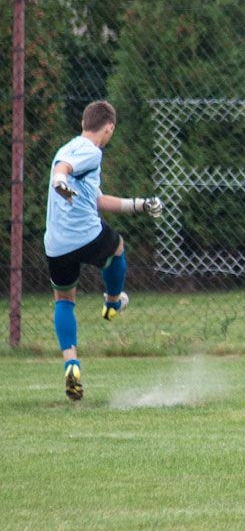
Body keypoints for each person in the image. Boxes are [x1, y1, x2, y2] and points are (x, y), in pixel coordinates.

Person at [45, 101, 162, 400]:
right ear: (108, 127)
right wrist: (61, 182)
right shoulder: (90, 152)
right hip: (85, 235)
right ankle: (112, 302)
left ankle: (71, 363)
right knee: (118, 247)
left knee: (64, 299)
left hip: (57, 245)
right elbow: (62, 172)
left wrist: (140, 205)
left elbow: (97, 200)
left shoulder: (69, 148)